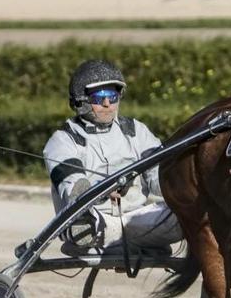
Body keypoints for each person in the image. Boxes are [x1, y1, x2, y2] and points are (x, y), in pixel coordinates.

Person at [42, 59, 182, 255]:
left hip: (137, 219)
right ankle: (99, 229)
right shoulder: (63, 140)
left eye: (112, 96)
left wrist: (183, 185)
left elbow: (159, 178)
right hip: (94, 219)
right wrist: (104, 188)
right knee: (84, 216)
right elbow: (71, 186)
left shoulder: (136, 131)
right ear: (81, 100)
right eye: (99, 97)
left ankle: (123, 234)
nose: (107, 103)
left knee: (186, 212)